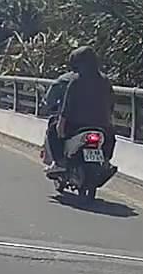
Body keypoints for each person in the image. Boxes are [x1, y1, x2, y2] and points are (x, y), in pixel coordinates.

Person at [43, 46, 115, 176]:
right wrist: (108, 122)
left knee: (53, 129)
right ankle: (105, 161)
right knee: (111, 136)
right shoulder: (104, 80)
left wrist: (60, 123)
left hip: (76, 125)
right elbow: (111, 104)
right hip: (101, 125)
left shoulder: (74, 80)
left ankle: (59, 163)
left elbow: (67, 105)